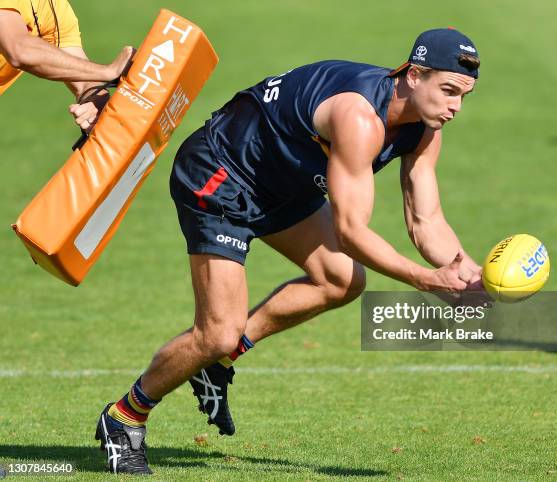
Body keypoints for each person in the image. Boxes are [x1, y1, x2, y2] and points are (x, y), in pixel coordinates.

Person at [95, 28, 485, 474]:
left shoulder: (424, 128)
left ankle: (219, 361)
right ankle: (124, 417)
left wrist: (472, 275)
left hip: (284, 188)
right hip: (221, 175)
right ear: (414, 75)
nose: (455, 107)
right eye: (449, 91)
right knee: (216, 331)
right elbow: (352, 231)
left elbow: (425, 221)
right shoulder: (359, 117)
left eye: (463, 96)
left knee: (342, 280)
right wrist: (424, 279)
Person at [0, 0, 133, 131]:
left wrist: (96, 99)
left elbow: (82, 81)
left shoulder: (54, 7)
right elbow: (19, 50)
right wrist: (108, 72)